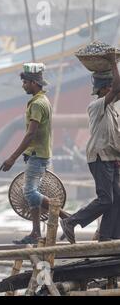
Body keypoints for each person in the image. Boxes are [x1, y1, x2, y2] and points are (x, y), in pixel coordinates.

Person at [60, 53, 120, 243]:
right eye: (109, 87)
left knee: (117, 198)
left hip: (111, 158)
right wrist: (112, 62)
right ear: (103, 90)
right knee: (105, 199)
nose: (113, 90)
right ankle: (71, 221)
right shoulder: (96, 106)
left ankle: (106, 236)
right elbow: (117, 87)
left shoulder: (111, 108)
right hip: (99, 157)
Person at [0, 63, 54, 245]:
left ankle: (64, 216)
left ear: (33, 83)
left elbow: (30, 133)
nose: (23, 86)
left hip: (37, 154)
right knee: (33, 196)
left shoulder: (38, 104)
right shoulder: (41, 101)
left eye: (24, 82)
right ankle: (36, 233)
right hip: (37, 154)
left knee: (29, 192)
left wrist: (12, 158)